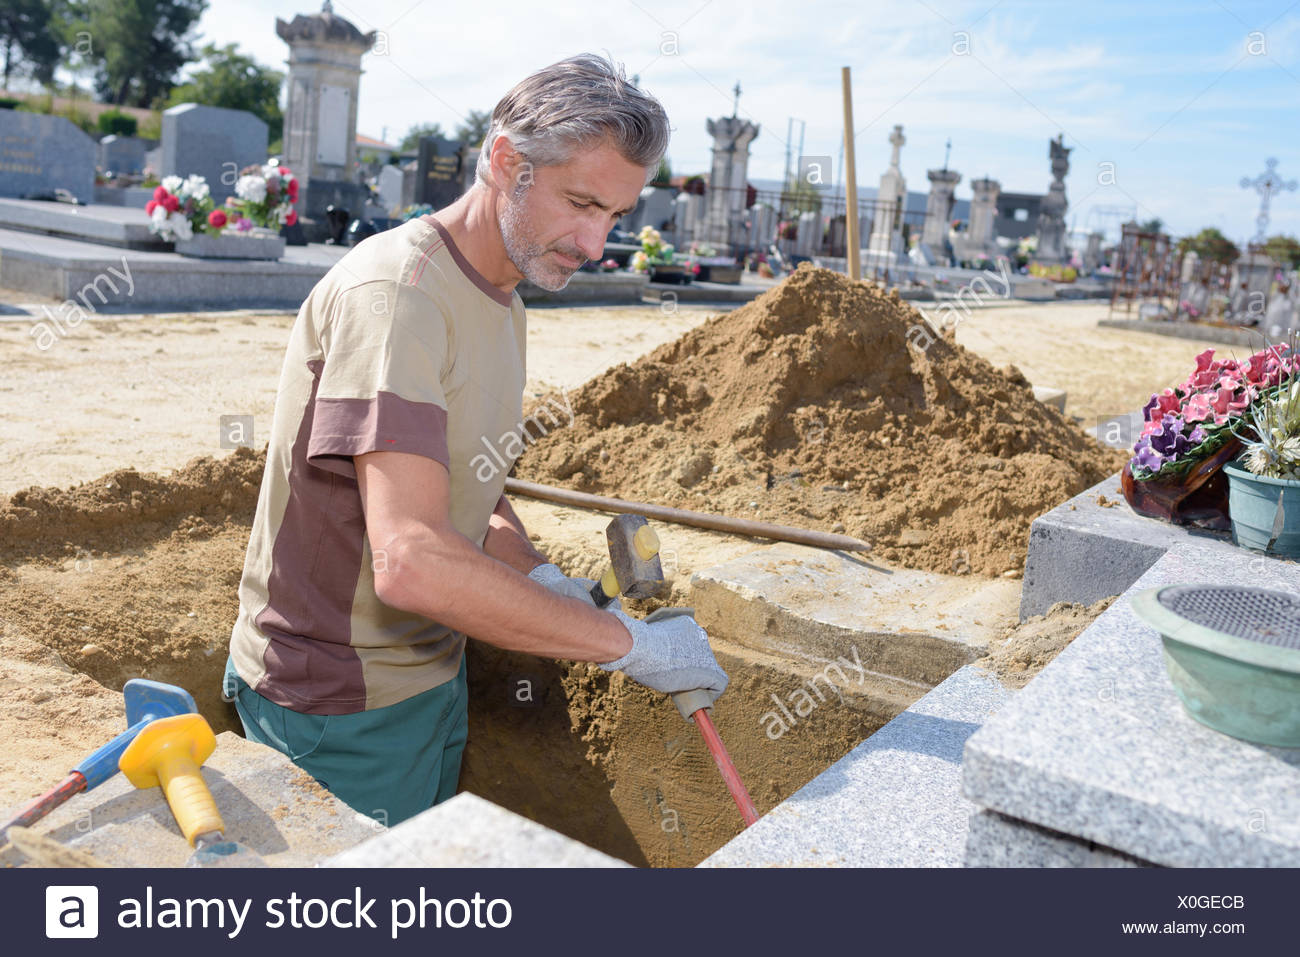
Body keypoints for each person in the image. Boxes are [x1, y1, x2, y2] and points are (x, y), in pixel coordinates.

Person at [222, 54, 728, 826]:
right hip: (338, 703)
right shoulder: (400, 298)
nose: (595, 242)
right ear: (505, 162)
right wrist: (624, 641)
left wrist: (542, 578)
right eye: (581, 203)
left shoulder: (501, 297)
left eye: (616, 216)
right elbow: (412, 560)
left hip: (428, 680)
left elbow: (471, 490)